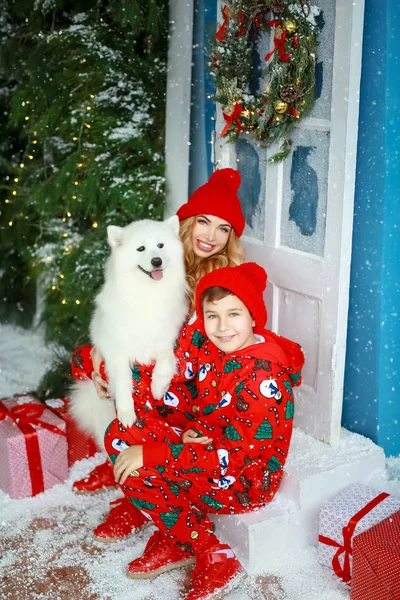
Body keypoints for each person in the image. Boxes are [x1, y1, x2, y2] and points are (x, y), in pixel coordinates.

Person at [103, 262, 304, 600]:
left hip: (243, 480)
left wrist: (155, 452)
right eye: (212, 315)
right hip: (208, 443)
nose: (222, 326)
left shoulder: (264, 380)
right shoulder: (213, 344)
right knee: (121, 433)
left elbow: (232, 459)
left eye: (234, 314)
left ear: (254, 317)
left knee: (140, 460)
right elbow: (172, 366)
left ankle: (209, 550)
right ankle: (178, 534)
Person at [71, 168, 246, 535]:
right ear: (186, 223)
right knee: (94, 363)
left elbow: (218, 350)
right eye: (203, 222)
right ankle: (127, 471)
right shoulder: (159, 246)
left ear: (231, 237)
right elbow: (116, 318)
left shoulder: (228, 278)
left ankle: (147, 495)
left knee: (136, 384)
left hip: (187, 384)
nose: (211, 236)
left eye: (223, 229)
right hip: (152, 365)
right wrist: (101, 356)